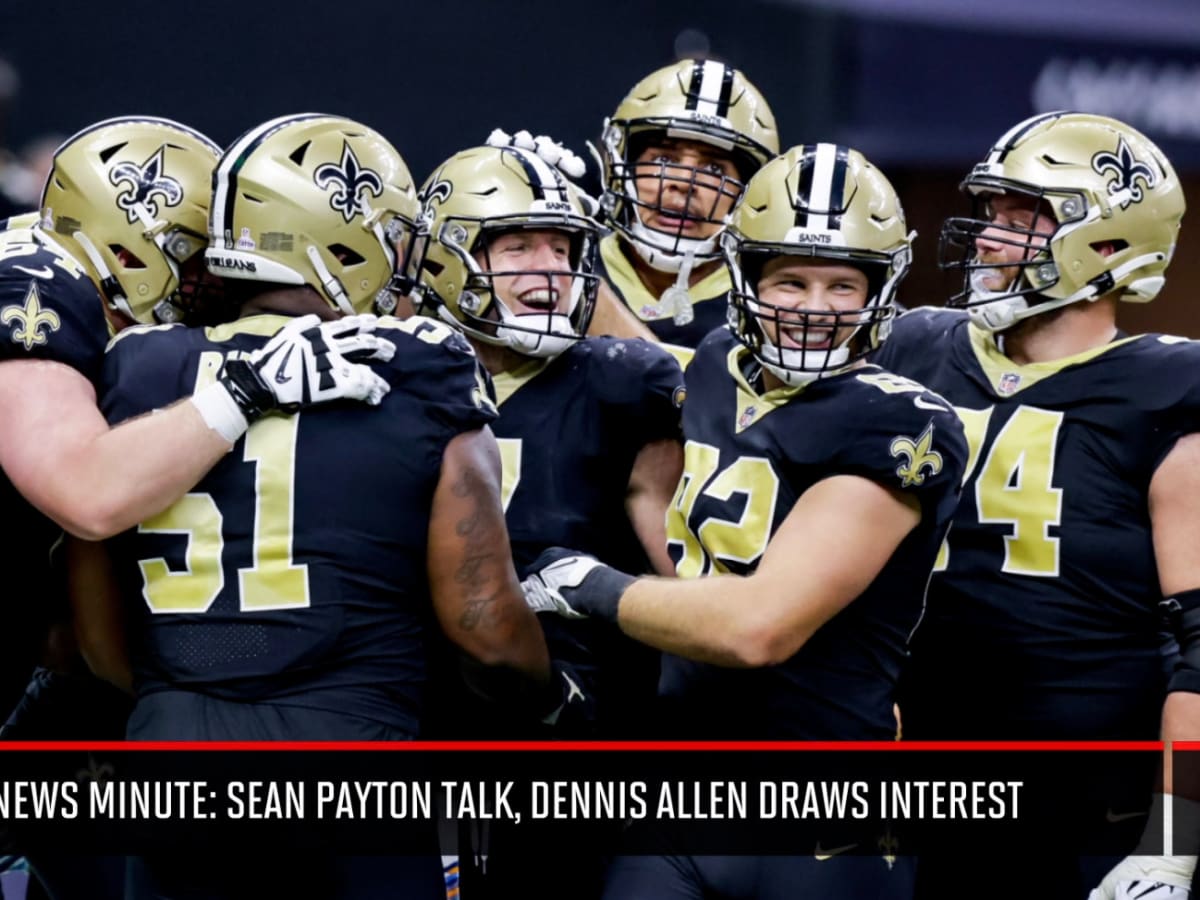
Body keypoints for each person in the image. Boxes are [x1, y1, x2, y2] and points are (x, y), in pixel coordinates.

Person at [89, 113, 571, 899]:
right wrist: (544, 694)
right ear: (340, 241)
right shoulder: (419, 365)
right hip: (352, 764)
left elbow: (96, 614)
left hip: (172, 761)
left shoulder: (136, 366)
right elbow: (484, 623)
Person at [524, 143, 967, 898]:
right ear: (743, 276)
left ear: (882, 288)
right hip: (679, 791)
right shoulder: (718, 363)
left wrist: (582, 584)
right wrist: (574, 224)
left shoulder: (900, 422)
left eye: (842, 284)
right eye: (790, 280)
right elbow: (653, 408)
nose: (815, 308)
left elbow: (758, 627)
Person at [866, 111, 1199, 899]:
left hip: (1086, 813)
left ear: (1108, 244)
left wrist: (1174, 845)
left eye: (1027, 218)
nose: (989, 236)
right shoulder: (914, 346)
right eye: (994, 212)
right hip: (919, 790)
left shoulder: (1164, 391)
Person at [594, 58, 779, 364]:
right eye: (664, 159)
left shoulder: (769, 306)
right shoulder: (567, 259)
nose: (684, 183)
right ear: (621, 167)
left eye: (714, 168)